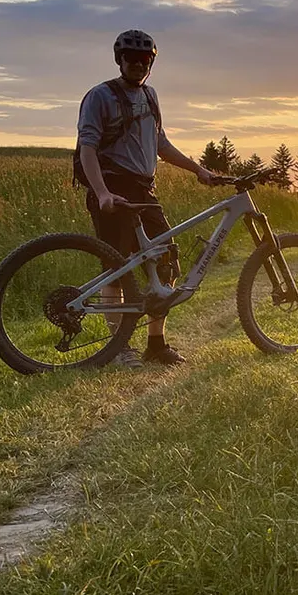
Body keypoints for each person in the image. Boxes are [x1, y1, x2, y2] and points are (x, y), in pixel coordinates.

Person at [76, 29, 215, 368]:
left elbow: (162, 146)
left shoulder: (151, 96)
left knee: (165, 258)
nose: (137, 65)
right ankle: (118, 349)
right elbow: (87, 148)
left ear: (151, 62)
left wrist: (198, 170)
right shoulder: (100, 96)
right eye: (130, 59)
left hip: (144, 190)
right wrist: (102, 192)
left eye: (144, 60)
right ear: (119, 60)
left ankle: (156, 344)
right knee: (118, 266)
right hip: (111, 186)